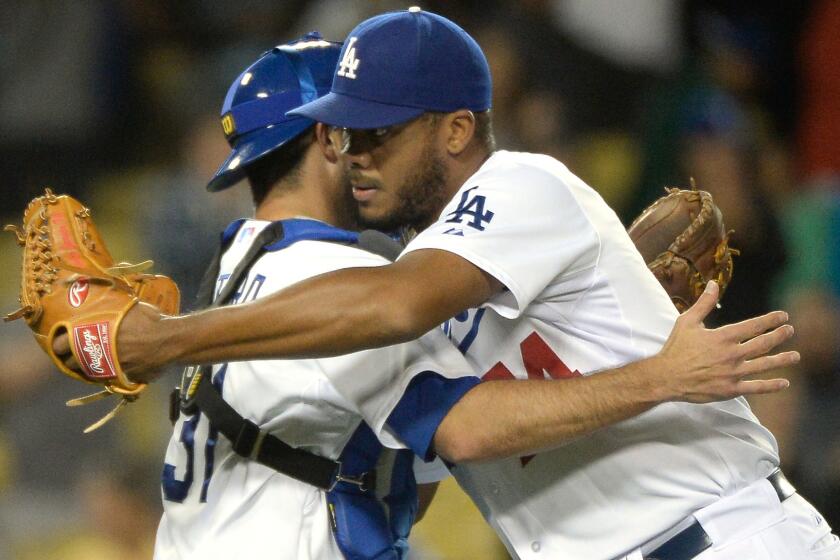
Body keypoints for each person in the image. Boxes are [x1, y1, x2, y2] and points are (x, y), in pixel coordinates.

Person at [66, 9, 833, 560]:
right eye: (344, 132)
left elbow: (394, 308)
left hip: (722, 537)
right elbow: (458, 437)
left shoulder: (517, 184)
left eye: (379, 132)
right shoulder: (409, 272)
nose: (355, 153)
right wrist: (637, 357)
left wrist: (161, 340)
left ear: (457, 130)